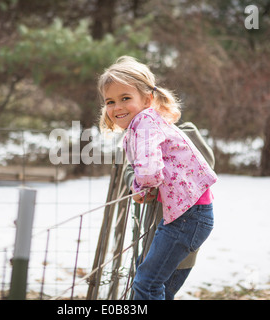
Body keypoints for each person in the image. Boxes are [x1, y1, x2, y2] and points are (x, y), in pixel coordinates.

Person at [98, 56, 218, 300]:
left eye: (125, 98)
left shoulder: (145, 122)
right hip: (192, 214)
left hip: (187, 217)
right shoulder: (146, 122)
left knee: (146, 284)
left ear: (147, 99)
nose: (117, 107)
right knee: (161, 288)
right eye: (110, 101)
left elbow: (150, 172)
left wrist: (140, 188)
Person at [123, 122, 216, 300]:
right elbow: (130, 168)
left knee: (150, 288)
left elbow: (204, 162)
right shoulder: (140, 138)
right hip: (153, 239)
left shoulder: (184, 131)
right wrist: (137, 185)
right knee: (143, 288)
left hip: (178, 240)